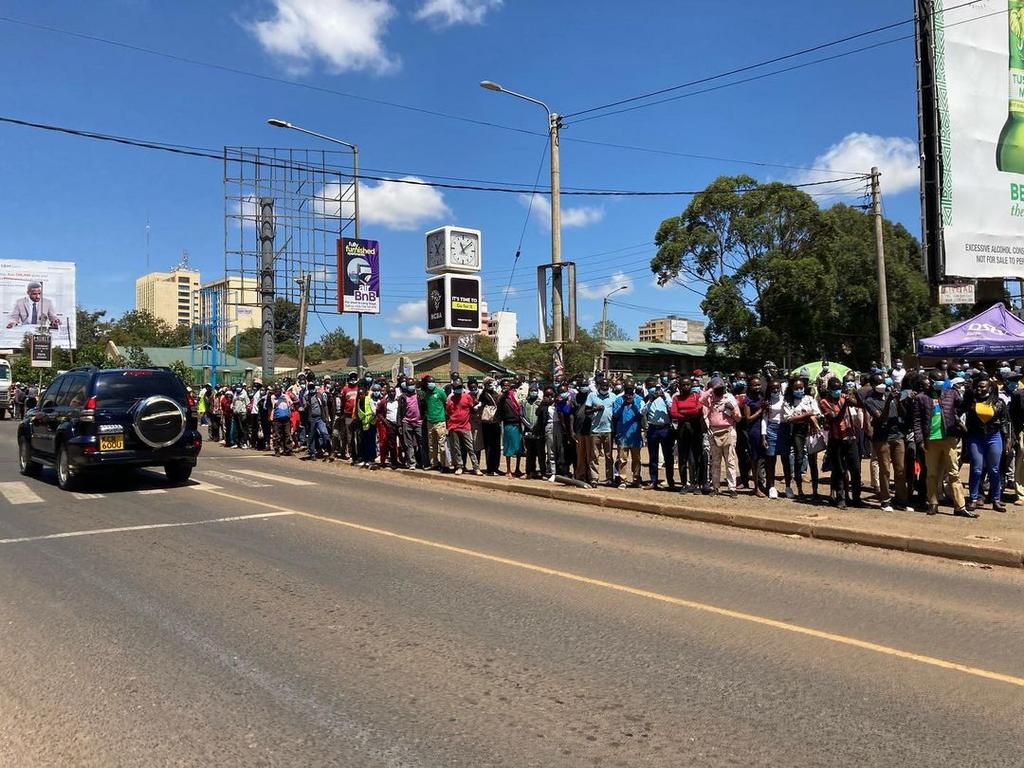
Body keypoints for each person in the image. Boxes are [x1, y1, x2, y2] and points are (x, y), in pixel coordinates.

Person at [910, 369, 969, 517]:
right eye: (937, 380)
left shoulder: (951, 393)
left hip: (949, 438)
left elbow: (962, 406)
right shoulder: (921, 398)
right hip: (930, 440)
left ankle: (960, 506)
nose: (940, 383)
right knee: (931, 474)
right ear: (930, 381)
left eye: (943, 380)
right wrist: (919, 440)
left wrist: (968, 393)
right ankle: (933, 503)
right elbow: (917, 421)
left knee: (953, 473)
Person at [862, 373, 907, 512]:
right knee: (885, 470)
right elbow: (881, 418)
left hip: (897, 436)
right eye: (878, 383)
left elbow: (903, 414)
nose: (882, 385)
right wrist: (888, 402)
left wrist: (898, 400)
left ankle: (901, 500)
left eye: (883, 382)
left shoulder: (890, 395)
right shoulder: (869, 400)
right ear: (874, 385)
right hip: (882, 439)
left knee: (900, 470)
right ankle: (886, 500)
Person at [963, 374, 1006, 514]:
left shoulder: (998, 402)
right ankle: (974, 499)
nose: (980, 389)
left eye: (983, 387)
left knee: (994, 469)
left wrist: (1008, 439)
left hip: (994, 437)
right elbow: (958, 411)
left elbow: (1005, 421)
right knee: (976, 468)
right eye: (978, 386)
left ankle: (996, 500)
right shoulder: (971, 401)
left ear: (989, 387)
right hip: (975, 437)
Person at [819, 376, 862, 510]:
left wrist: (856, 396)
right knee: (839, 471)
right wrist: (845, 406)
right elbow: (835, 419)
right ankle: (841, 498)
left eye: (839, 388)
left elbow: (860, 405)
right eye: (834, 389)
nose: (837, 391)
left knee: (856, 469)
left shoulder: (844, 397)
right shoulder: (824, 402)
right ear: (829, 389)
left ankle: (856, 498)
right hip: (836, 441)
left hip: (850, 438)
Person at [782, 375, 823, 502]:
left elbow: (817, 414)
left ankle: (815, 491)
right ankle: (799, 490)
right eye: (796, 388)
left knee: (813, 460)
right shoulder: (788, 402)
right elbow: (789, 419)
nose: (799, 390)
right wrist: (807, 414)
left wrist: (803, 416)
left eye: (801, 388)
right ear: (792, 389)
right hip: (797, 432)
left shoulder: (810, 399)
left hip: (810, 430)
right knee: (798, 459)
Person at [701, 377, 740, 496]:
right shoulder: (710, 399)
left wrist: (732, 408)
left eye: (721, 387)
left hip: (728, 430)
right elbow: (701, 400)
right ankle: (716, 487)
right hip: (714, 431)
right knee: (715, 462)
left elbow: (738, 418)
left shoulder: (729, 398)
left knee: (730, 461)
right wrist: (710, 390)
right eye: (717, 388)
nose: (720, 390)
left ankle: (732, 487)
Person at [671, 377, 705, 494]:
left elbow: (698, 410)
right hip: (682, 431)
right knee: (683, 458)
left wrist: (683, 413)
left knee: (695, 458)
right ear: (679, 386)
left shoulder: (696, 397)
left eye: (688, 385)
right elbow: (673, 413)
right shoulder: (676, 398)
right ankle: (684, 484)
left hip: (695, 430)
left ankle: (695, 484)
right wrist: (689, 414)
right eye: (683, 385)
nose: (686, 387)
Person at [612, 382, 644, 488]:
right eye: (627, 390)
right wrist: (623, 405)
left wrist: (633, 404)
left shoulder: (639, 400)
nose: (628, 393)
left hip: (635, 434)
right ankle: (622, 480)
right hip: (622, 435)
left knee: (637, 459)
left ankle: (636, 479)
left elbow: (642, 415)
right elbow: (615, 415)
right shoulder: (618, 400)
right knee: (622, 459)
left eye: (631, 390)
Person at [643, 383, 674, 490]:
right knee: (653, 457)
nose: (656, 391)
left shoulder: (667, 396)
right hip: (652, 429)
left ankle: (670, 481)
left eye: (657, 388)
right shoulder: (648, 399)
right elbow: (642, 412)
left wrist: (664, 397)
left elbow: (671, 407)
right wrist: (650, 400)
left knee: (668, 457)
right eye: (653, 388)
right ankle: (653, 481)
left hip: (665, 429)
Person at [587, 379, 617, 485]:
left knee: (609, 455)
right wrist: (595, 409)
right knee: (594, 456)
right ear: (599, 385)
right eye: (603, 385)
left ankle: (609, 478)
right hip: (595, 430)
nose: (605, 388)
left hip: (609, 430)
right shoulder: (592, 396)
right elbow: (587, 411)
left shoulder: (613, 396)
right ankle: (594, 478)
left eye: (607, 386)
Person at [761, 379, 787, 499]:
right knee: (771, 460)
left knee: (786, 460)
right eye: (773, 389)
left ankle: (788, 487)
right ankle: (771, 486)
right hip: (771, 429)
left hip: (784, 429)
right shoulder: (767, 402)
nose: (775, 390)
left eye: (777, 388)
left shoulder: (785, 400)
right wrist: (764, 436)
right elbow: (764, 419)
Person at [446, 380, 479, 475]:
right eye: (456, 388)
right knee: (457, 448)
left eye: (460, 387)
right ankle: (459, 466)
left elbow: (472, 409)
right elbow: (448, 413)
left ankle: (476, 467)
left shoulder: (467, 397)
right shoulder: (450, 400)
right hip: (454, 427)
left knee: (470, 448)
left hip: (465, 426)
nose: (458, 389)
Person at [498, 380, 523, 478]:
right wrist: (504, 395)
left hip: (517, 423)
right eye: (504, 385)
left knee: (518, 448)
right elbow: (499, 405)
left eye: (508, 385)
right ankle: (508, 469)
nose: (506, 387)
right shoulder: (501, 397)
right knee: (508, 448)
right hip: (508, 424)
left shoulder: (514, 395)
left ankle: (517, 468)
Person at [423, 376, 449, 471]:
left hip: (440, 421)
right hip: (430, 422)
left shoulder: (440, 392)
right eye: (429, 382)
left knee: (442, 445)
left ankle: (443, 464)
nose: (430, 383)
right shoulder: (427, 394)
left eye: (432, 382)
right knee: (431, 445)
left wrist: (446, 418)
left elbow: (446, 403)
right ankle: (434, 463)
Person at [571, 385, 594, 484]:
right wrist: (572, 430)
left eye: (585, 385)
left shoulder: (592, 397)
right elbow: (571, 415)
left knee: (591, 455)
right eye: (582, 385)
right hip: (579, 430)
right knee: (580, 455)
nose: (583, 387)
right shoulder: (576, 398)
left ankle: (591, 476)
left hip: (590, 430)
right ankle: (580, 475)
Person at [479, 377, 502, 475]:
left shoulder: (495, 393)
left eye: (492, 383)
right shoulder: (484, 394)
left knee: (496, 446)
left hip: (495, 422)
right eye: (489, 383)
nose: (491, 385)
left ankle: (496, 467)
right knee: (489, 446)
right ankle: (490, 468)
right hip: (487, 423)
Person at [398, 381, 422, 469]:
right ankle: (412, 463)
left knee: (421, 442)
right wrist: (400, 424)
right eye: (409, 385)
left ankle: (423, 461)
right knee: (409, 444)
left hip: (418, 422)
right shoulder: (403, 397)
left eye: (412, 385)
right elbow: (399, 412)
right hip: (407, 422)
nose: (411, 387)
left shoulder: (419, 395)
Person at [522, 385, 542, 479]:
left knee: (540, 451)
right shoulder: (524, 402)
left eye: (535, 391)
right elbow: (521, 415)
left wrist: (536, 426)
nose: (533, 392)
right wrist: (529, 425)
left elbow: (542, 415)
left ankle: (541, 471)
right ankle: (529, 471)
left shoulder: (540, 402)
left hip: (538, 430)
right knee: (529, 452)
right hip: (528, 429)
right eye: (532, 390)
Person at [271, 385, 293, 456]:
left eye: (278, 391)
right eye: (276, 391)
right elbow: (273, 406)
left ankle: (288, 450)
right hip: (277, 418)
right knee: (277, 435)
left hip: (286, 418)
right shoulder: (273, 397)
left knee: (287, 434)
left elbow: (290, 403)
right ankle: (277, 450)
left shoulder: (285, 396)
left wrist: (288, 402)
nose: (277, 392)